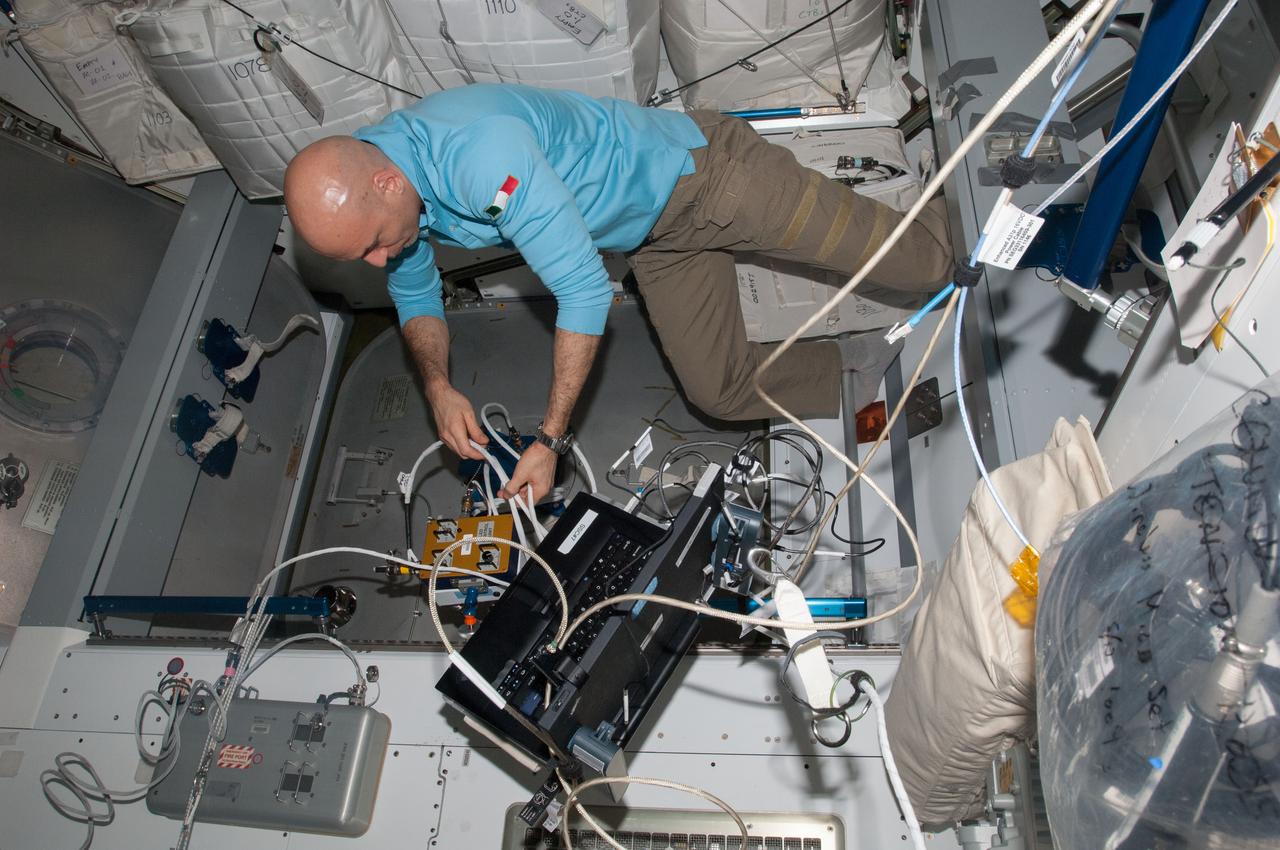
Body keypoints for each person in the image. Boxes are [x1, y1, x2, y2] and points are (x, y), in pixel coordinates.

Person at [284, 83, 951, 505]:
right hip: (656, 237)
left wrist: (550, 439)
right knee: (719, 390)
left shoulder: (478, 158)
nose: (380, 260)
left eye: (376, 243)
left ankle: (992, 220)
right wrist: (436, 386)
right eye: (363, 256)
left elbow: (582, 292)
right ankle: (866, 372)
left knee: (919, 262)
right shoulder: (384, 182)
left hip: (707, 176)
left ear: (386, 185)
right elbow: (413, 294)